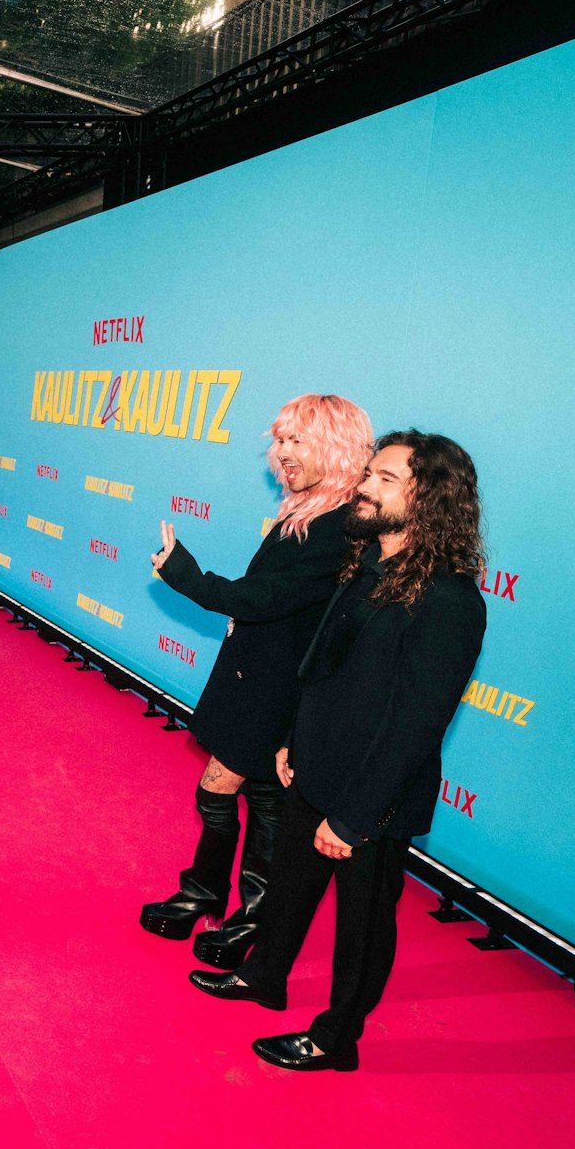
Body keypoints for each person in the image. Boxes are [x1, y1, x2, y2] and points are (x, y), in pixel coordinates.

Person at [189, 431, 488, 1073]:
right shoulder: (363, 568)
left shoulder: (450, 601)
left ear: (430, 499)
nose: (365, 488)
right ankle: (264, 976)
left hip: (372, 799)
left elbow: (416, 725)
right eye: (368, 475)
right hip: (313, 768)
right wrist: (295, 739)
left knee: (362, 924)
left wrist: (353, 816)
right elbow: (323, 668)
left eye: (385, 480)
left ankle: (335, 1038)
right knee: (292, 888)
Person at [141, 394, 375, 968]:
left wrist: (184, 573)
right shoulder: (309, 507)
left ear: (336, 445)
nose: (283, 453)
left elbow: (266, 598)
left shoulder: (340, 525)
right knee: (244, 794)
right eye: (280, 441)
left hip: (281, 689)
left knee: (246, 795)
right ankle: (217, 899)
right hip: (258, 676)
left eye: (297, 441)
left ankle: (244, 913)